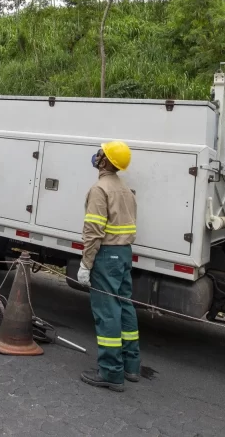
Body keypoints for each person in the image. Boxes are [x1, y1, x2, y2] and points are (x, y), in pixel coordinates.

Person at [77, 140, 140, 392]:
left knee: (107, 312)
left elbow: (93, 232)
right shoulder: (126, 190)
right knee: (125, 306)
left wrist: (86, 264)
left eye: (100, 153)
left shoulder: (99, 190)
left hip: (106, 255)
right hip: (124, 253)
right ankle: (131, 366)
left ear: (106, 161)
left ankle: (111, 372)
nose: (97, 156)